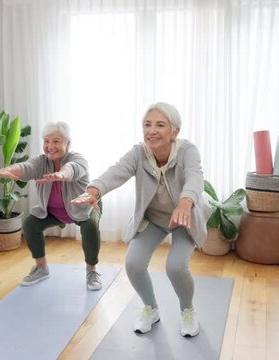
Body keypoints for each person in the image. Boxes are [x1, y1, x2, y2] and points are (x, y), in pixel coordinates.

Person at [72, 102, 209, 337]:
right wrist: (94, 190)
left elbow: (195, 177)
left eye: (160, 125)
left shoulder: (187, 151)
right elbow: (117, 171)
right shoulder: (139, 153)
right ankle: (151, 308)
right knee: (134, 264)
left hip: (183, 217)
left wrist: (186, 202)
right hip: (154, 219)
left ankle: (188, 311)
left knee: (175, 267)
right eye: (147, 124)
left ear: (174, 131)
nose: (151, 130)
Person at [0, 121, 103, 291]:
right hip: (53, 212)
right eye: (46, 141)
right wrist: (8, 170)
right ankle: (41, 268)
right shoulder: (42, 162)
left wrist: (61, 175)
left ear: (67, 143)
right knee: (30, 224)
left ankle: (91, 270)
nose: (50, 146)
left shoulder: (77, 159)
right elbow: (26, 167)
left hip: (83, 207)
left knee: (90, 226)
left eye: (56, 141)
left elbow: (72, 169)